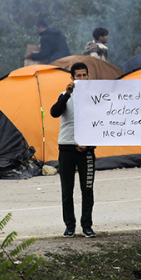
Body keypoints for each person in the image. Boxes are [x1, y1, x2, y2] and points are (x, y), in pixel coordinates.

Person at [50, 62, 96, 238]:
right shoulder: (65, 95)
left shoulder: (95, 97)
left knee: (87, 189)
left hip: (87, 150)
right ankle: (70, 225)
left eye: (85, 75)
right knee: (67, 190)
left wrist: (89, 145)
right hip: (67, 148)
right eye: (79, 76)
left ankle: (87, 225)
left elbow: (99, 125)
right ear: (72, 78)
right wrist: (68, 93)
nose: (82, 78)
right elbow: (55, 112)